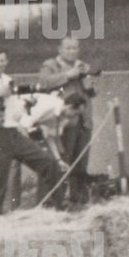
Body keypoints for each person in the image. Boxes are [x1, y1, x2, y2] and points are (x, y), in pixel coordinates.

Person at [0, 50, 66, 219]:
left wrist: (26, 105)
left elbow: (14, 113)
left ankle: (61, 209)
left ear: (7, 62)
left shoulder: (8, 81)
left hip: (13, 133)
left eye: (2, 61)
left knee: (47, 163)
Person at [36, 36, 95, 207]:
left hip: (83, 120)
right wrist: (68, 75)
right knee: (61, 161)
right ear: (60, 50)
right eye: (68, 48)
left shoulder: (82, 65)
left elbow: (92, 93)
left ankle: (79, 199)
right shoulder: (50, 65)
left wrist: (89, 82)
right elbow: (44, 82)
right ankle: (53, 200)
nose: (72, 51)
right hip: (62, 122)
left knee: (81, 162)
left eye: (75, 48)